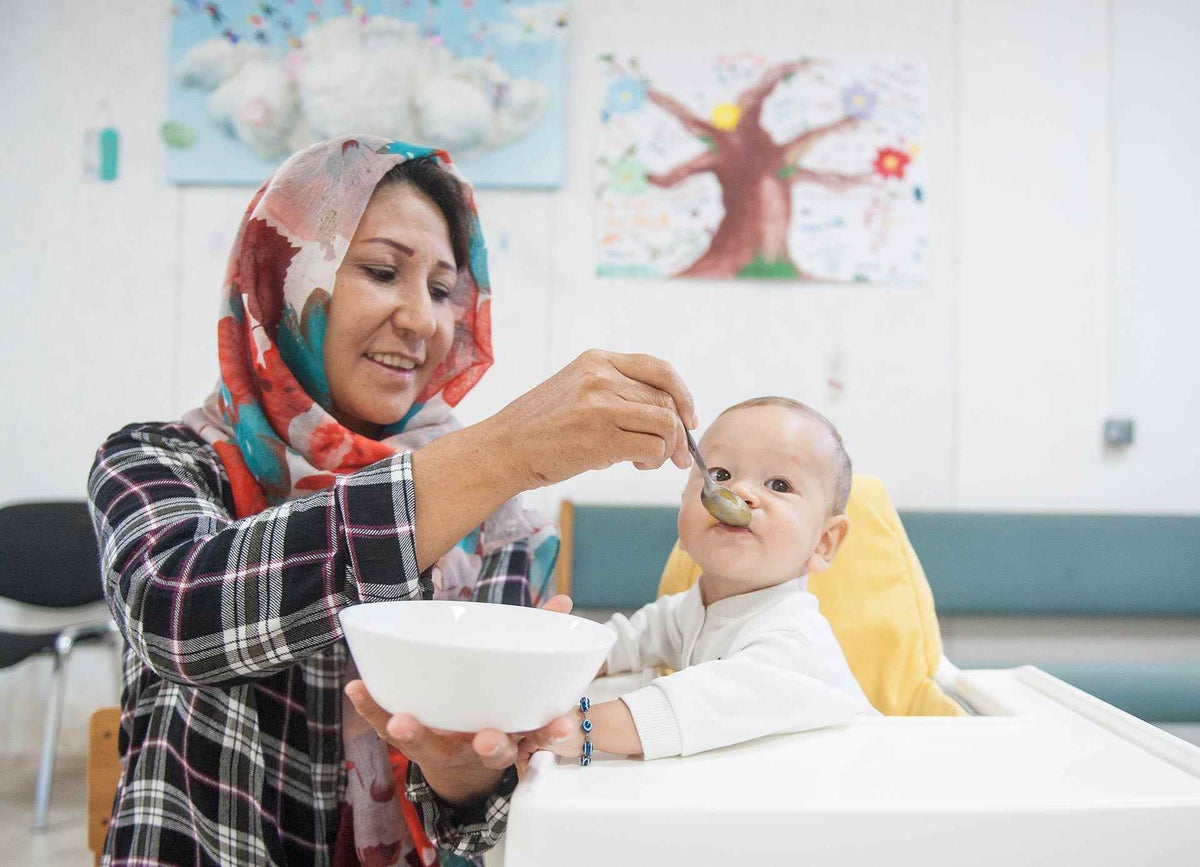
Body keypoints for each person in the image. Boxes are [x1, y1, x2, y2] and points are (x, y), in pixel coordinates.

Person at [87, 135, 696, 867]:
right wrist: (507, 449)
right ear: (281, 278)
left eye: (443, 290)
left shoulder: (502, 524)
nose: (422, 320)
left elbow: (485, 823)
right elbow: (178, 611)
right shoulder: (161, 459)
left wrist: (467, 776)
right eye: (381, 271)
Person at [543, 397, 877, 764]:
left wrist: (575, 728)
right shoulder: (690, 609)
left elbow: (685, 708)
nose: (740, 493)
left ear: (823, 542)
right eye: (720, 475)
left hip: (857, 791)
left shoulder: (795, 642)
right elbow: (627, 643)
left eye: (779, 484)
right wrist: (552, 659)